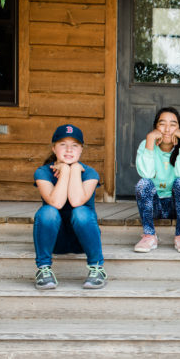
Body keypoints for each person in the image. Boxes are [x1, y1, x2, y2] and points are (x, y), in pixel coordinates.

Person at [33, 124, 107, 290]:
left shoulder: (89, 173)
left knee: (81, 212)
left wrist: (73, 170)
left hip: (83, 241)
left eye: (74, 145)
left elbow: (76, 201)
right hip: (53, 241)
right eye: (62, 145)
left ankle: (97, 268)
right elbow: (56, 203)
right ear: (53, 148)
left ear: (81, 150)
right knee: (47, 212)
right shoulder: (42, 172)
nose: (69, 150)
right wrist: (65, 172)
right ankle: (44, 269)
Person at [133, 107, 180, 253]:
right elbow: (146, 174)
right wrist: (149, 140)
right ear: (155, 127)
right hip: (154, 205)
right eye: (162, 123)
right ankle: (149, 236)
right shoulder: (146, 144)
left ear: (179, 128)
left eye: (173, 124)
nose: (167, 129)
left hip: (176, 205)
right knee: (143, 184)